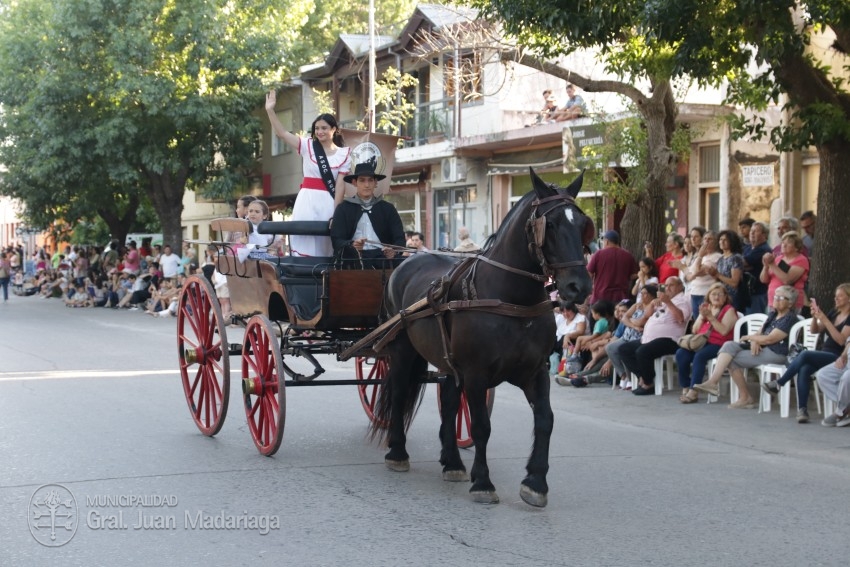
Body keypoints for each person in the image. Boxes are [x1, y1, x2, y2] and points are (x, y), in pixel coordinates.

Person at [266, 90, 352, 257]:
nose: (320, 132)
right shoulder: (308, 145)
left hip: (328, 201)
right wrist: (270, 110)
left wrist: (337, 214)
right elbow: (281, 133)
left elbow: (340, 187)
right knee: (304, 238)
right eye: (317, 128)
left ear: (334, 129)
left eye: (324, 128)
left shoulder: (344, 154)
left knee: (325, 243)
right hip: (307, 199)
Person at [694, 285, 799, 408]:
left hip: (777, 353)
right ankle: (713, 382)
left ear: (790, 303)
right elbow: (759, 333)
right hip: (764, 348)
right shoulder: (773, 314)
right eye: (775, 296)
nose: (776, 299)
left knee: (730, 359)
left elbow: (770, 339)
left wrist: (751, 338)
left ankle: (745, 397)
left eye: (780, 297)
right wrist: (755, 340)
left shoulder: (789, 318)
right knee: (728, 345)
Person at [763, 284, 850, 423]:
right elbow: (815, 330)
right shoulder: (835, 312)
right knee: (804, 368)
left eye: (840, 296)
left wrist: (824, 319)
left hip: (838, 356)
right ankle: (802, 410)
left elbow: (841, 341)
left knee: (804, 355)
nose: (836, 298)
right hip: (824, 353)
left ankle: (780, 383)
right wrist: (815, 317)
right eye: (835, 296)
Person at [619, 276, 692, 395]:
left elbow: (680, 318)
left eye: (671, 285)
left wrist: (668, 302)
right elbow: (646, 316)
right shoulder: (663, 299)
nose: (667, 288)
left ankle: (648, 384)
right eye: (666, 285)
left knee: (642, 352)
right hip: (649, 338)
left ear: (680, 286)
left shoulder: (683, 300)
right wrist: (652, 304)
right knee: (624, 349)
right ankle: (643, 377)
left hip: (671, 340)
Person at [330, 162, 406, 269]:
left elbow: (399, 238)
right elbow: (337, 240)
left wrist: (393, 251)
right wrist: (352, 245)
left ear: (375, 183)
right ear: (354, 182)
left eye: (370, 180)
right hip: (354, 259)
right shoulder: (343, 209)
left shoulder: (388, 209)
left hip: (382, 258)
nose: (367, 185)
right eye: (362, 180)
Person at [675, 283, 738, 403]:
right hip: (702, 342)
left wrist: (711, 318)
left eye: (720, 294)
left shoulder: (729, 310)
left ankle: (693, 392)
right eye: (713, 294)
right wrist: (702, 317)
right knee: (681, 353)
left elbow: (724, 331)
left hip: (720, 344)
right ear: (708, 296)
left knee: (700, 356)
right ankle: (686, 385)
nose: (716, 297)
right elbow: (695, 330)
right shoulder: (706, 307)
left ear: (725, 297)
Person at [608, 287, 657, 389]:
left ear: (652, 295)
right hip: (628, 335)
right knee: (610, 348)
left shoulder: (653, 306)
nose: (642, 295)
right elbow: (624, 318)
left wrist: (631, 320)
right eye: (641, 293)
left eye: (645, 293)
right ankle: (623, 375)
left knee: (625, 350)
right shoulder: (637, 305)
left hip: (639, 337)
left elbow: (641, 322)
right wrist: (634, 326)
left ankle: (632, 378)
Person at [761, 231, 808, 312]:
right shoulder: (778, 258)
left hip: (789, 303)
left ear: (797, 247)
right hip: (773, 301)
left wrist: (772, 264)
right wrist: (765, 266)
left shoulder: (801, 260)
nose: (784, 245)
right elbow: (763, 280)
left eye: (788, 243)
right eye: (783, 242)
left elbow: (787, 280)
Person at [586, 230, 638, 304]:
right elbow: (634, 275)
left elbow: (589, 274)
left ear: (607, 241)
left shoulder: (599, 254)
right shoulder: (628, 256)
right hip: (620, 299)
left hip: (600, 298)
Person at [684, 229, 720, 317]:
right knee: (696, 320)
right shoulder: (702, 257)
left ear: (716, 242)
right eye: (705, 239)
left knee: (705, 320)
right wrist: (692, 274)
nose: (706, 241)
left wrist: (699, 256)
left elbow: (697, 271)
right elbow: (688, 275)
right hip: (694, 292)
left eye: (710, 239)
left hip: (706, 293)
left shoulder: (717, 257)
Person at [708, 230, 745, 311]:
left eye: (725, 240)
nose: (722, 242)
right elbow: (718, 279)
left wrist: (717, 274)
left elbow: (734, 282)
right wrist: (713, 274)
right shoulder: (721, 259)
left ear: (731, 242)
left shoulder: (735, 258)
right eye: (720, 239)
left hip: (733, 297)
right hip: (721, 297)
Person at [816, 343, 850, 427]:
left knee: (847, 377)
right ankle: (846, 408)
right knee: (823, 375)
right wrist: (843, 355)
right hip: (847, 362)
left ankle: (841, 411)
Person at [743, 221, 771, 314]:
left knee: (754, 319)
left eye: (756, 231)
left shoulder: (764, 249)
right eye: (751, 230)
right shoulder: (747, 248)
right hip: (746, 292)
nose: (752, 233)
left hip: (757, 292)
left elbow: (742, 263)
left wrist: (743, 266)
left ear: (764, 235)